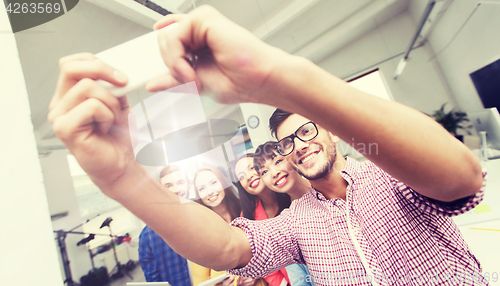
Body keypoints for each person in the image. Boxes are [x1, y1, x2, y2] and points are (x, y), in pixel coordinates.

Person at [48, 5, 486, 286]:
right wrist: (122, 176)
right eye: (287, 142)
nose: (299, 145)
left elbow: (460, 179)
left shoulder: (389, 178)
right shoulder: (298, 223)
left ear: (331, 131)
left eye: (309, 130)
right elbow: (227, 249)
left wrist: (283, 78)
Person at [252, 142, 314, 286]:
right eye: (264, 172)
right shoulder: (286, 225)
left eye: (278, 161)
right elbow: (300, 280)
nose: (274, 173)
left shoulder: (325, 188)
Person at [192, 166, 264, 286]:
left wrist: (257, 274)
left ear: (223, 182)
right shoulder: (199, 233)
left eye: (213, 182)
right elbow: (200, 282)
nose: (210, 191)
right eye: (202, 188)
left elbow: (269, 250)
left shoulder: (248, 209)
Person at [233, 154, 291, 286]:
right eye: (241, 176)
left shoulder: (291, 191)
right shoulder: (247, 219)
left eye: (252, 168)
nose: (248, 177)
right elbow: (262, 261)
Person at [138, 165, 191, 284]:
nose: (176, 190)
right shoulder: (148, 236)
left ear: (189, 184)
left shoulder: (208, 214)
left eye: (180, 182)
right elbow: (153, 281)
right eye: (168, 186)